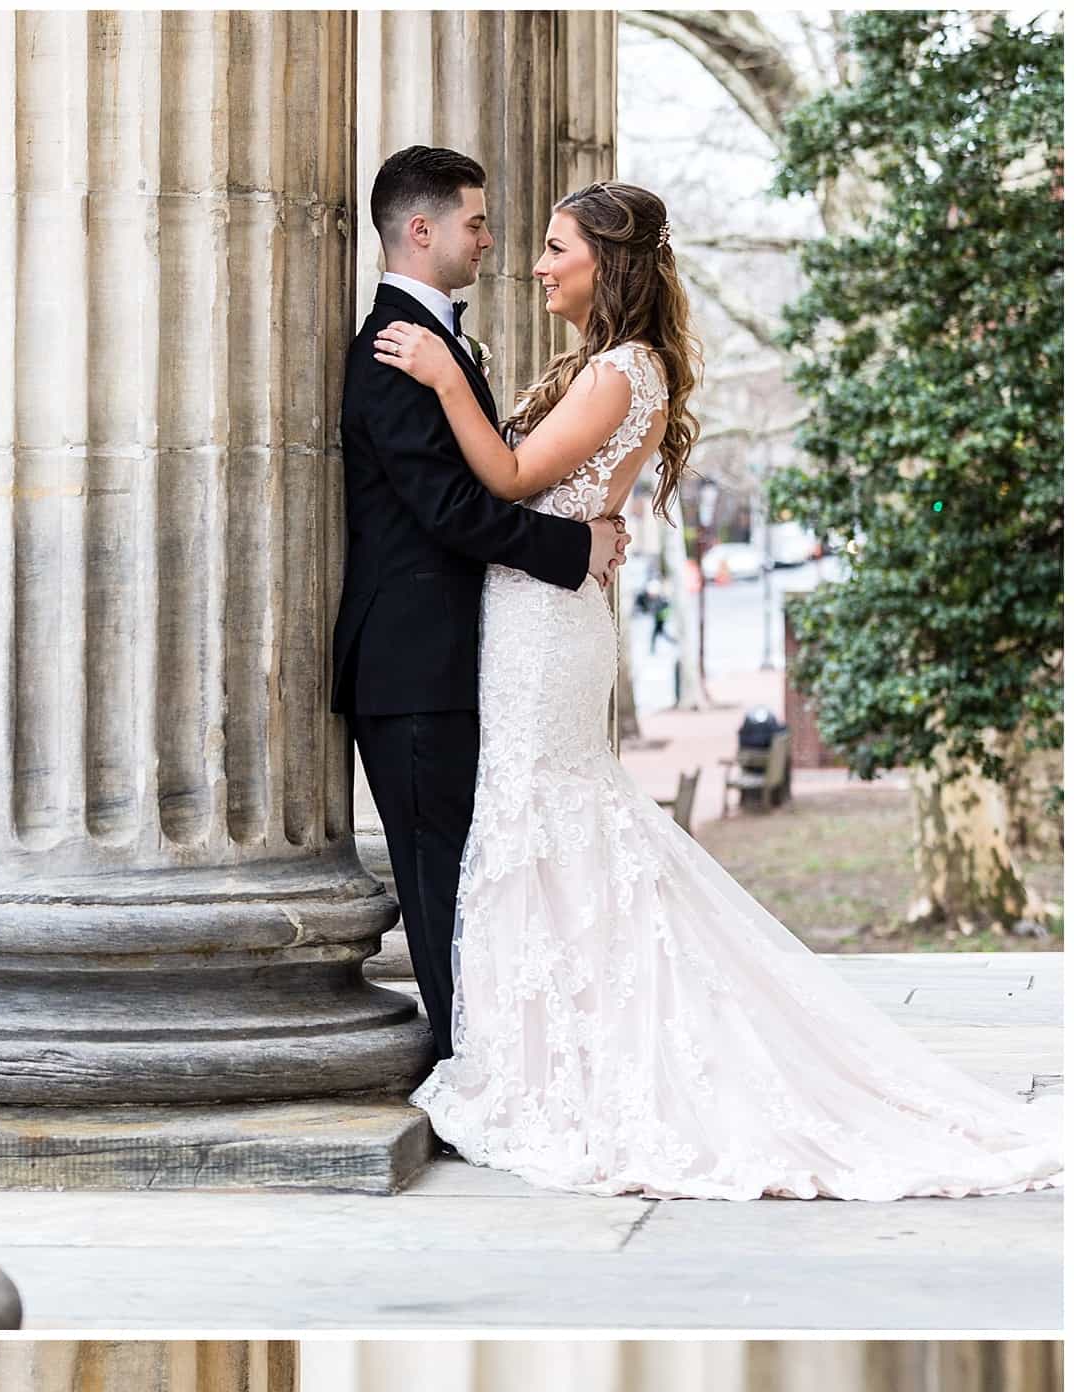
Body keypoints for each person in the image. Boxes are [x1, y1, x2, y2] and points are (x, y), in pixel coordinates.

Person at [365, 169, 1061, 1198]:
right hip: (528, 616)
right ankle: (546, 1044)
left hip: (546, 629)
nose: (537, 262)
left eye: (557, 247)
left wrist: (441, 378)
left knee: (552, 818)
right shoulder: (601, 366)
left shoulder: (621, 371)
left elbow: (510, 483)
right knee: (542, 827)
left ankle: (564, 1058)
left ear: (605, 262)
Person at [331, 147, 628, 1071]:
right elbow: (452, 510)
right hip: (411, 664)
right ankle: (476, 1078)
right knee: (437, 887)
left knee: (470, 880)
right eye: (476, 222)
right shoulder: (392, 349)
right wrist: (572, 551)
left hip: (453, 659)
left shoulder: (442, 346)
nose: (491, 240)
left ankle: (498, 1069)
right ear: (421, 232)